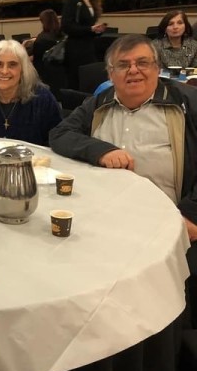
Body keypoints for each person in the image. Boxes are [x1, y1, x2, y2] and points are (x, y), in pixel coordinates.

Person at [49, 34, 197, 320]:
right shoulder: (100, 102)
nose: (133, 70)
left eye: (143, 63)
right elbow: (60, 134)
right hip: (103, 224)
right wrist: (102, 150)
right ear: (110, 73)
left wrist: (192, 214)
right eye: (123, 65)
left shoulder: (187, 103)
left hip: (168, 226)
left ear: (157, 68)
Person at [0, 40, 62, 146]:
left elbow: (57, 141)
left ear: (23, 69)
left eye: (12, 65)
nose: (4, 71)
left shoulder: (43, 99)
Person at [61, 0, 107, 89]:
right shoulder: (73, 0)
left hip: (89, 46)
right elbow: (66, 26)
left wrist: (97, 31)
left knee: (90, 78)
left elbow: (89, 26)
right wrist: (90, 29)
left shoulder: (92, 0)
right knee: (77, 80)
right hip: (76, 48)